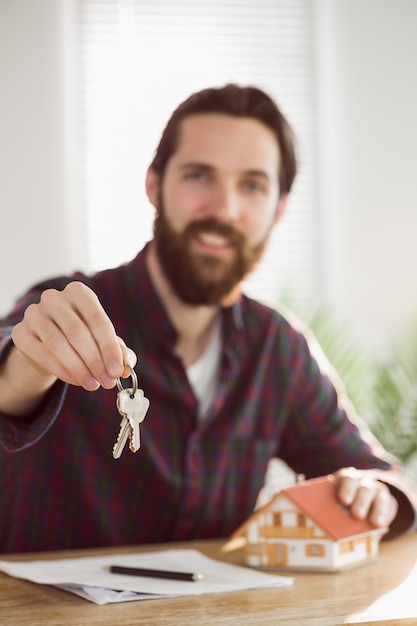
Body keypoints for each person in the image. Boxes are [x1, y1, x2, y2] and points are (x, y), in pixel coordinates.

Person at [0, 84, 415, 554]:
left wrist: (373, 492)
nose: (224, 209)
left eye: (252, 185)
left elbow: (378, 475)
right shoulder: (68, 308)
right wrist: (29, 361)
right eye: (199, 176)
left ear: (278, 210)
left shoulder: (277, 347)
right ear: (154, 185)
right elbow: (10, 369)